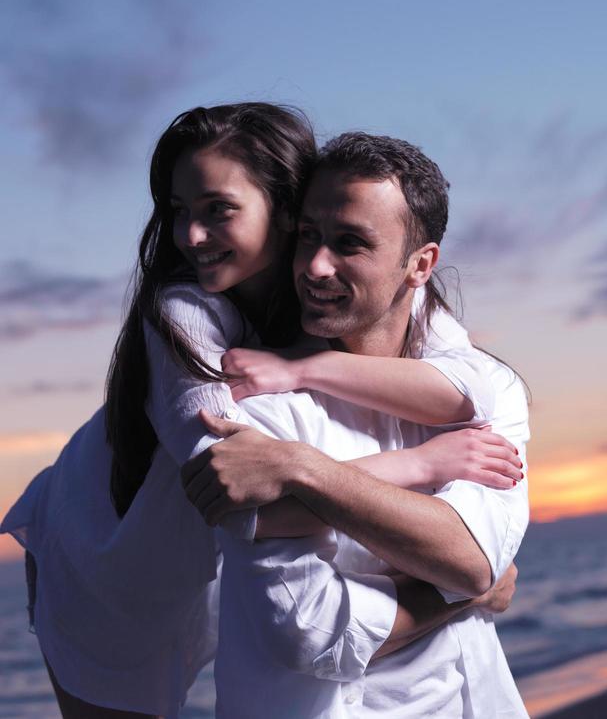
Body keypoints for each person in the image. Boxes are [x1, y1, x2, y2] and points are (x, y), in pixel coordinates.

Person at [1, 105, 522, 719]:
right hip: (102, 557)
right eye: (178, 211)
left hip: (199, 558)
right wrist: (419, 470)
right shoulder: (186, 316)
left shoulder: (389, 304)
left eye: (218, 208)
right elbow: (237, 488)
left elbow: (475, 389)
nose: (190, 236)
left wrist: (307, 374)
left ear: (283, 208)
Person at [182, 132, 531, 718]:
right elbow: (310, 631)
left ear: (419, 265)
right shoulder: (259, 407)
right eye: (309, 237)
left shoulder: (482, 392)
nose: (316, 266)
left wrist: (304, 469)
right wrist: (464, 593)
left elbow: (470, 555)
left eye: (350, 244)